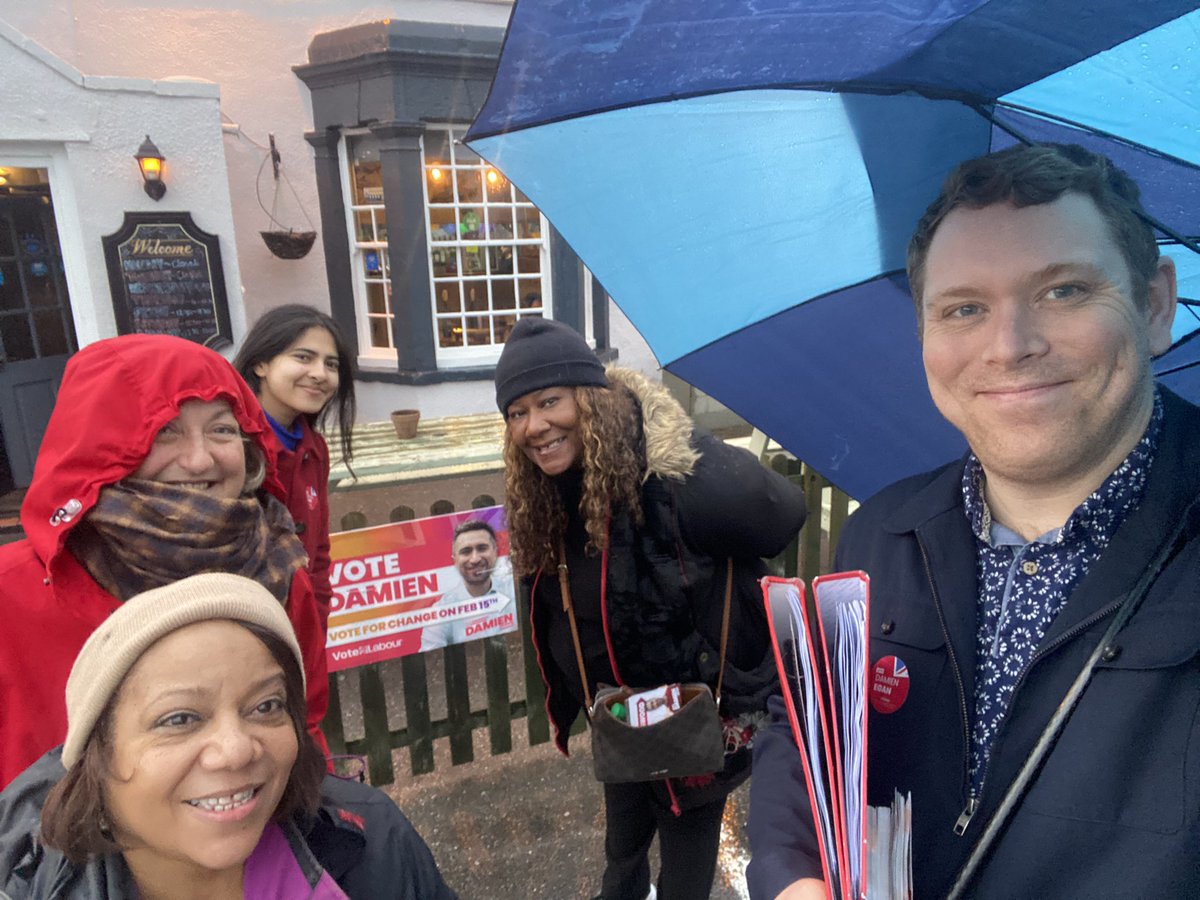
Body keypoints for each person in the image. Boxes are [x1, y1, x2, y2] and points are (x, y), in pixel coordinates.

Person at [746, 143, 1199, 899]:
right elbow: (803, 730)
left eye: (1063, 291)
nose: (1010, 345)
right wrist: (790, 874)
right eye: (964, 308)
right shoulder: (881, 532)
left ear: (1154, 304)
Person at [493, 317, 808, 900]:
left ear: (590, 399)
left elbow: (783, 512)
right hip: (618, 721)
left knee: (684, 869)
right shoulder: (546, 492)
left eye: (549, 401)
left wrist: (671, 437)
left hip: (693, 725)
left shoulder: (667, 477)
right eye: (517, 412)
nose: (533, 426)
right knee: (622, 854)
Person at [0, 334, 329, 790]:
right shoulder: (12, 595)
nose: (199, 460)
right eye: (163, 431)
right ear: (97, 447)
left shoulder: (276, 569)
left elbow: (305, 723)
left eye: (221, 429)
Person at [0, 572, 457, 899]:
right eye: (179, 718)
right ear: (95, 754)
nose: (237, 750)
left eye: (266, 706)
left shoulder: (372, 841)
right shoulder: (27, 884)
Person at [234, 304, 357, 620]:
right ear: (261, 363)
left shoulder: (314, 449)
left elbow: (316, 556)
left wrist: (315, 623)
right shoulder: (230, 446)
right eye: (303, 357)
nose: (320, 374)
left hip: (301, 631)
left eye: (331, 364)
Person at [420, 519, 517, 652]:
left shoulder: (514, 591)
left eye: (482, 548)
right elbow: (432, 660)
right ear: (454, 559)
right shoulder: (439, 612)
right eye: (466, 551)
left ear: (495, 551)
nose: (475, 559)